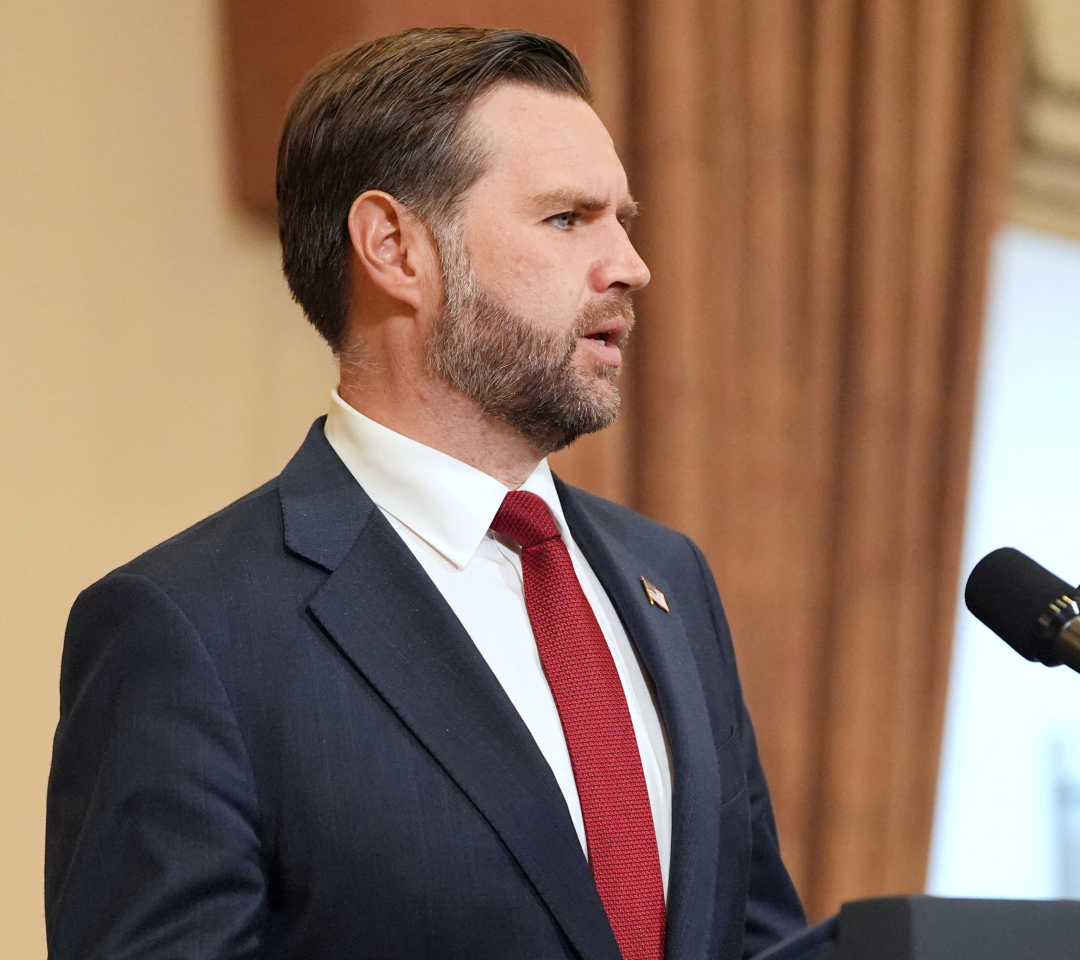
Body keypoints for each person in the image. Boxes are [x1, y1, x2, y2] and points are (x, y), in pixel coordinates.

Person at [45, 27, 805, 960]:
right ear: (395, 248)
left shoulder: (670, 578)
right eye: (568, 219)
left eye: (623, 219)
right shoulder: (191, 630)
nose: (630, 265)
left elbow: (758, 937)